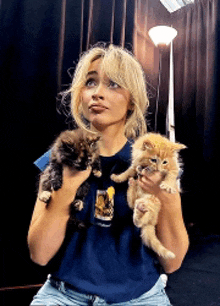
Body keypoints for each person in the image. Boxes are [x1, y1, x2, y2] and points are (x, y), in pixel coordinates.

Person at [28, 44, 189, 306]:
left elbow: (173, 263)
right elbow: (40, 254)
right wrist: (66, 189)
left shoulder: (149, 163)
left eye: (113, 84)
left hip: (140, 297)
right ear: (80, 94)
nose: (98, 93)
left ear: (131, 101)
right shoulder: (61, 156)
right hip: (64, 295)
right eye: (90, 82)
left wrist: (165, 197)